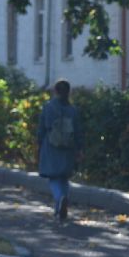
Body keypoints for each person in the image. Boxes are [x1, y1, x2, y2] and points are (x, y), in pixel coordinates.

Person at [37, 80, 82, 223]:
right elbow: (79, 131)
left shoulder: (48, 107)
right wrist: (80, 148)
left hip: (51, 145)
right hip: (69, 146)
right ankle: (60, 207)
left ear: (55, 91)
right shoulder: (73, 110)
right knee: (64, 176)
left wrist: (38, 144)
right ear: (68, 92)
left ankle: (60, 199)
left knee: (53, 177)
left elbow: (42, 128)